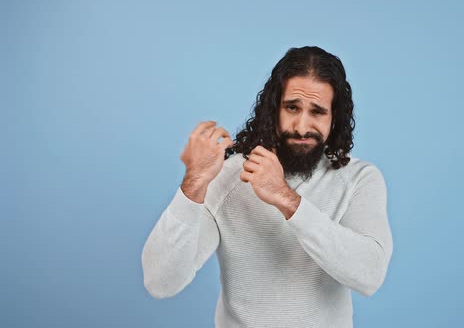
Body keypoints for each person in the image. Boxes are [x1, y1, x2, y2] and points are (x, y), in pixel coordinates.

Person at [141, 46, 394, 328]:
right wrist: (194, 182)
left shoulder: (359, 179)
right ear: (273, 109)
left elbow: (370, 275)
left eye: (317, 112)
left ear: (334, 119)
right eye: (292, 107)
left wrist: (287, 199)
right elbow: (160, 282)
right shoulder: (227, 178)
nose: (301, 126)